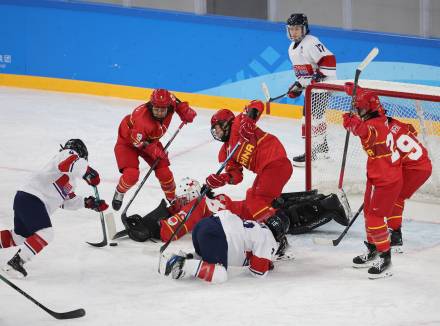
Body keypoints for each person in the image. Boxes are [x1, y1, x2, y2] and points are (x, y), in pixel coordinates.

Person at [0, 139, 108, 278]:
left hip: (25, 199)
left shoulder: (70, 181)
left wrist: (88, 203)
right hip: (32, 199)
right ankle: (15, 264)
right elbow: (69, 163)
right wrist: (88, 171)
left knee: (20, 236)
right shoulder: (66, 155)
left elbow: (65, 202)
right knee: (46, 233)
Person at [122, 178, 348, 244]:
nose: (180, 203)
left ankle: (327, 206)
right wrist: (160, 212)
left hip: (255, 220)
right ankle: (318, 196)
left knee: (292, 221)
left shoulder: (197, 206)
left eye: (183, 200)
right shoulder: (210, 199)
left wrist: (151, 228)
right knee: (280, 202)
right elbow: (177, 210)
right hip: (251, 205)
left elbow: (169, 231)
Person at [342, 84, 402, 279]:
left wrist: (351, 123)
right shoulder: (380, 117)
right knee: (369, 213)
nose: (358, 111)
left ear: (370, 108)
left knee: (375, 218)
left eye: (360, 108)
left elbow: (362, 131)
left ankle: (386, 258)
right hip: (379, 176)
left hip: (385, 180)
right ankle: (373, 248)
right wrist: (354, 90)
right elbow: (365, 105)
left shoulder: (373, 127)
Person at [207, 101, 293, 222]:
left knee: (254, 198)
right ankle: (285, 213)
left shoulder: (239, 122)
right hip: (266, 171)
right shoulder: (225, 152)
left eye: (217, 128)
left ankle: (274, 224)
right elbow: (236, 177)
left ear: (225, 123)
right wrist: (222, 179)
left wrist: (248, 122)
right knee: (253, 204)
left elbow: (257, 104)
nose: (217, 133)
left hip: (276, 161)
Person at [112, 89, 197, 211]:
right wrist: (154, 151)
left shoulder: (169, 102)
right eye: (156, 109)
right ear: (151, 105)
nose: (160, 113)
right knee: (131, 175)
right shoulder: (142, 120)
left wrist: (183, 110)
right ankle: (119, 192)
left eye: (163, 109)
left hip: (150, 140)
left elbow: (174, 99)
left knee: (165, 173)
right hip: (128, 143)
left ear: (168, 106)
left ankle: (173, 200)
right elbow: (137, 142)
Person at [159, 209, 290, 283]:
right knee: (220, 275)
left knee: (204, 258)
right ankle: (180, 263)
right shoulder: (269, 238)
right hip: (216, 234)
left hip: (204, 225)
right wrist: (268, 264)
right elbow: (258, 272)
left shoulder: (257, 225)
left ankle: (185, 258)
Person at [285, 13, 337, 167]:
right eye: (291, 29)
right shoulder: (291, 48)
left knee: (312, 118)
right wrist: (298, 86)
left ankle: (315, 152)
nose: (293, 32)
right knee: (312, 118)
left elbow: (329, 59)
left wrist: (319, 77)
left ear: (304, 29)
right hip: (313, 88)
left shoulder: (311, 42)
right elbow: (305, 72)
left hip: (322, 87)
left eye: (297, 29)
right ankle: (321, 150)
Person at [385, 116, 432, 251]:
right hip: (422, 163)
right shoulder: (396, 123)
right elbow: (413, 131)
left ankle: (395, 235)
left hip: (415, 169)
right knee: (394, 194)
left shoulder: (383, 133)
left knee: (395, 196)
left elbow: (389, 159)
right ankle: (393, 230)